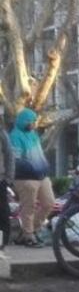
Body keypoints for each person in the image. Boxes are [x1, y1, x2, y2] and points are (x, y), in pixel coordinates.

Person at [9, 108, 54, 248]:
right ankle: (29, 236)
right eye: (32, 121)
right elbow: (16, 159)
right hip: (25, 178)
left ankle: (30, 231)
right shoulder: (14, 136)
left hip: (41, 176)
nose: (34, 123)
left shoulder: (33, 135)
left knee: (49, 203)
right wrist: (32, 168)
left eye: (35, 120)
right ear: (24, 121)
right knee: (28, 207)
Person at [0, 108, 13, 252]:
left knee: (2, 212)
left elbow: (9, 156)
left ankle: (2, 242)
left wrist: (9, 178)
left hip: (0, 179)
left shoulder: (2, 134)